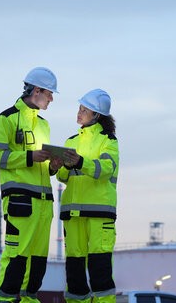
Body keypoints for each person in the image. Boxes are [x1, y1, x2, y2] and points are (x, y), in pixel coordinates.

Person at [0, 67, 63, 303]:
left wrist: (53, 166)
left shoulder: (44, 125)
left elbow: (42, 168)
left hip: (43, 204)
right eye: (50, 93)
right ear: (37, 90)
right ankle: (5, 301)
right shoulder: (5, 119)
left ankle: (30, 299)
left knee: (38, 259)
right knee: (16, 256)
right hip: (20, 201)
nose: (51, 99)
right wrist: (30, 157)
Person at [56, 89, 119, 303]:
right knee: (74, 274)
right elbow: (64, 177)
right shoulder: (71, 141)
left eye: (84, 110)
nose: (79, 112)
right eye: (80, 108)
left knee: (99, 270)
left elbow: (107, 169)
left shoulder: (108, 141)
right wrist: (59, 166)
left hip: (99, 212)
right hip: (72, 212)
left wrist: (80, 162)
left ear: (97, 116)